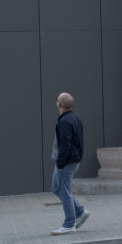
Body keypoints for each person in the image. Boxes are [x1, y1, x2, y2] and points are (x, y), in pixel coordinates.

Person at [50, 92, 89, 235]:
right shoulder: (74, 118)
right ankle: (80, 211)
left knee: (64, 191)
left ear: (59, 104)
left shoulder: (65, 121)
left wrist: (60, 163)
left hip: (66, 162)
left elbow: (65, 145)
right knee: (56, 188)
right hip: (71, 159)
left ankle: (69, 224)